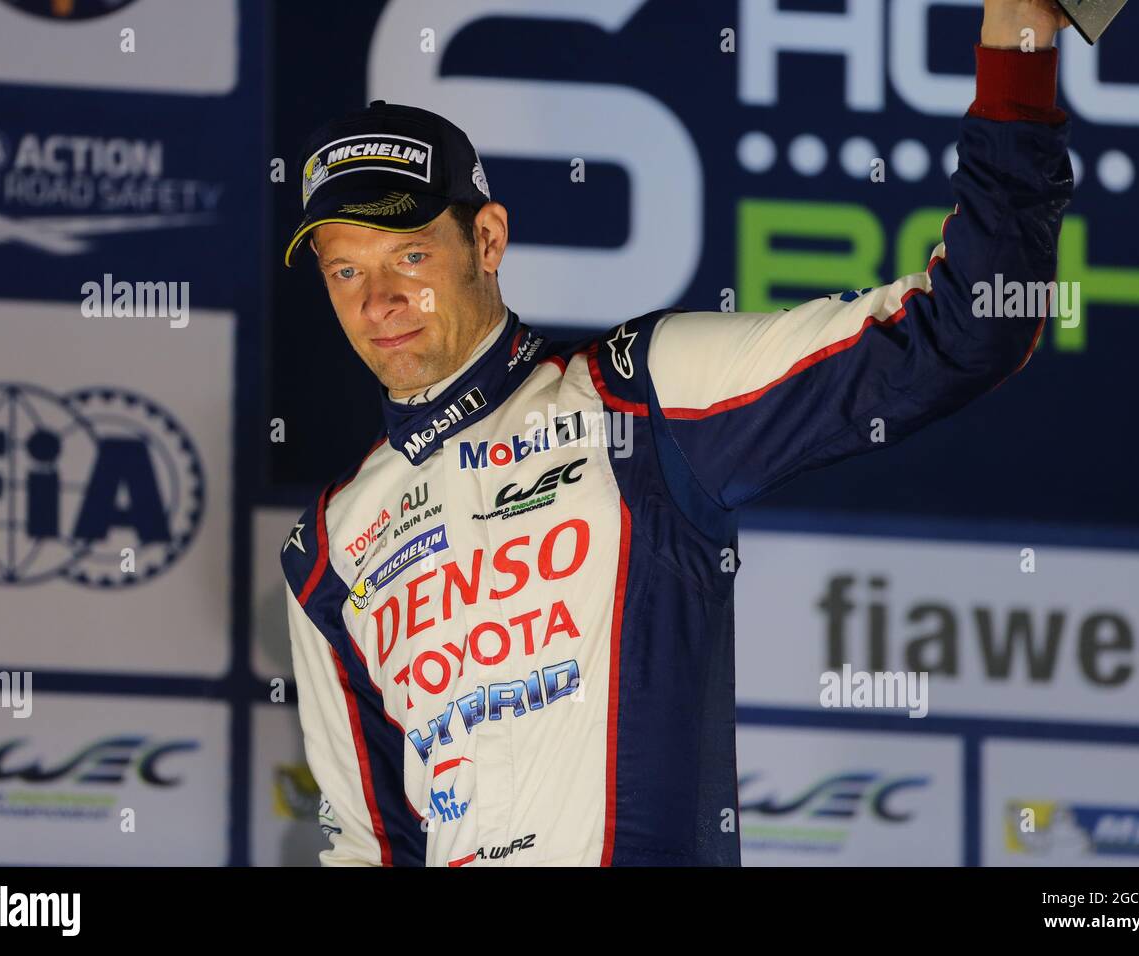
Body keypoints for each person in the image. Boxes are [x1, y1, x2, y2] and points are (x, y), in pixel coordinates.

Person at [280, 0, 1074, 866]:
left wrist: (1018, 42)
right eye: (346, 269)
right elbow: (366, 848)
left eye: (411, 256)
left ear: (489, 238)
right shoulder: (329, 547)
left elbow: (966, 328)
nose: (378, 300)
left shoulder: (638, 394)